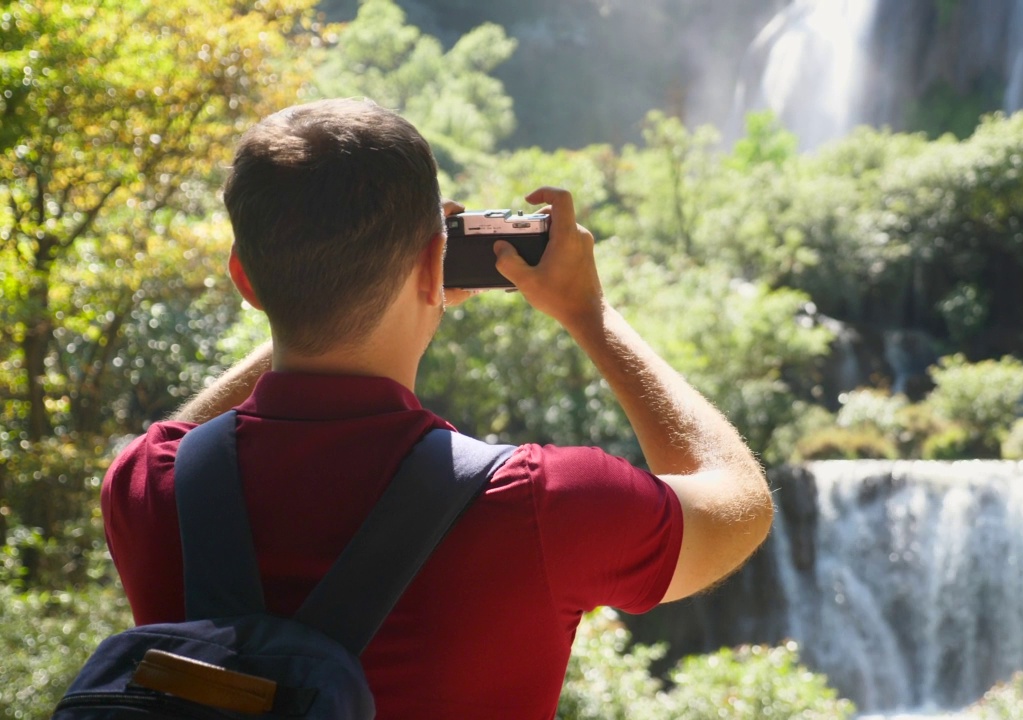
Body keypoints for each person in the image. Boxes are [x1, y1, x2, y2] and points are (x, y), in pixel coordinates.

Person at [100, 98, 773, 718]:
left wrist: (311, 293)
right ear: (435, 268)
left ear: (244, 278)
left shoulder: (148, 486)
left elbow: (180, 434)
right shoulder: (543, 502)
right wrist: (589, 313)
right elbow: (740, 505)